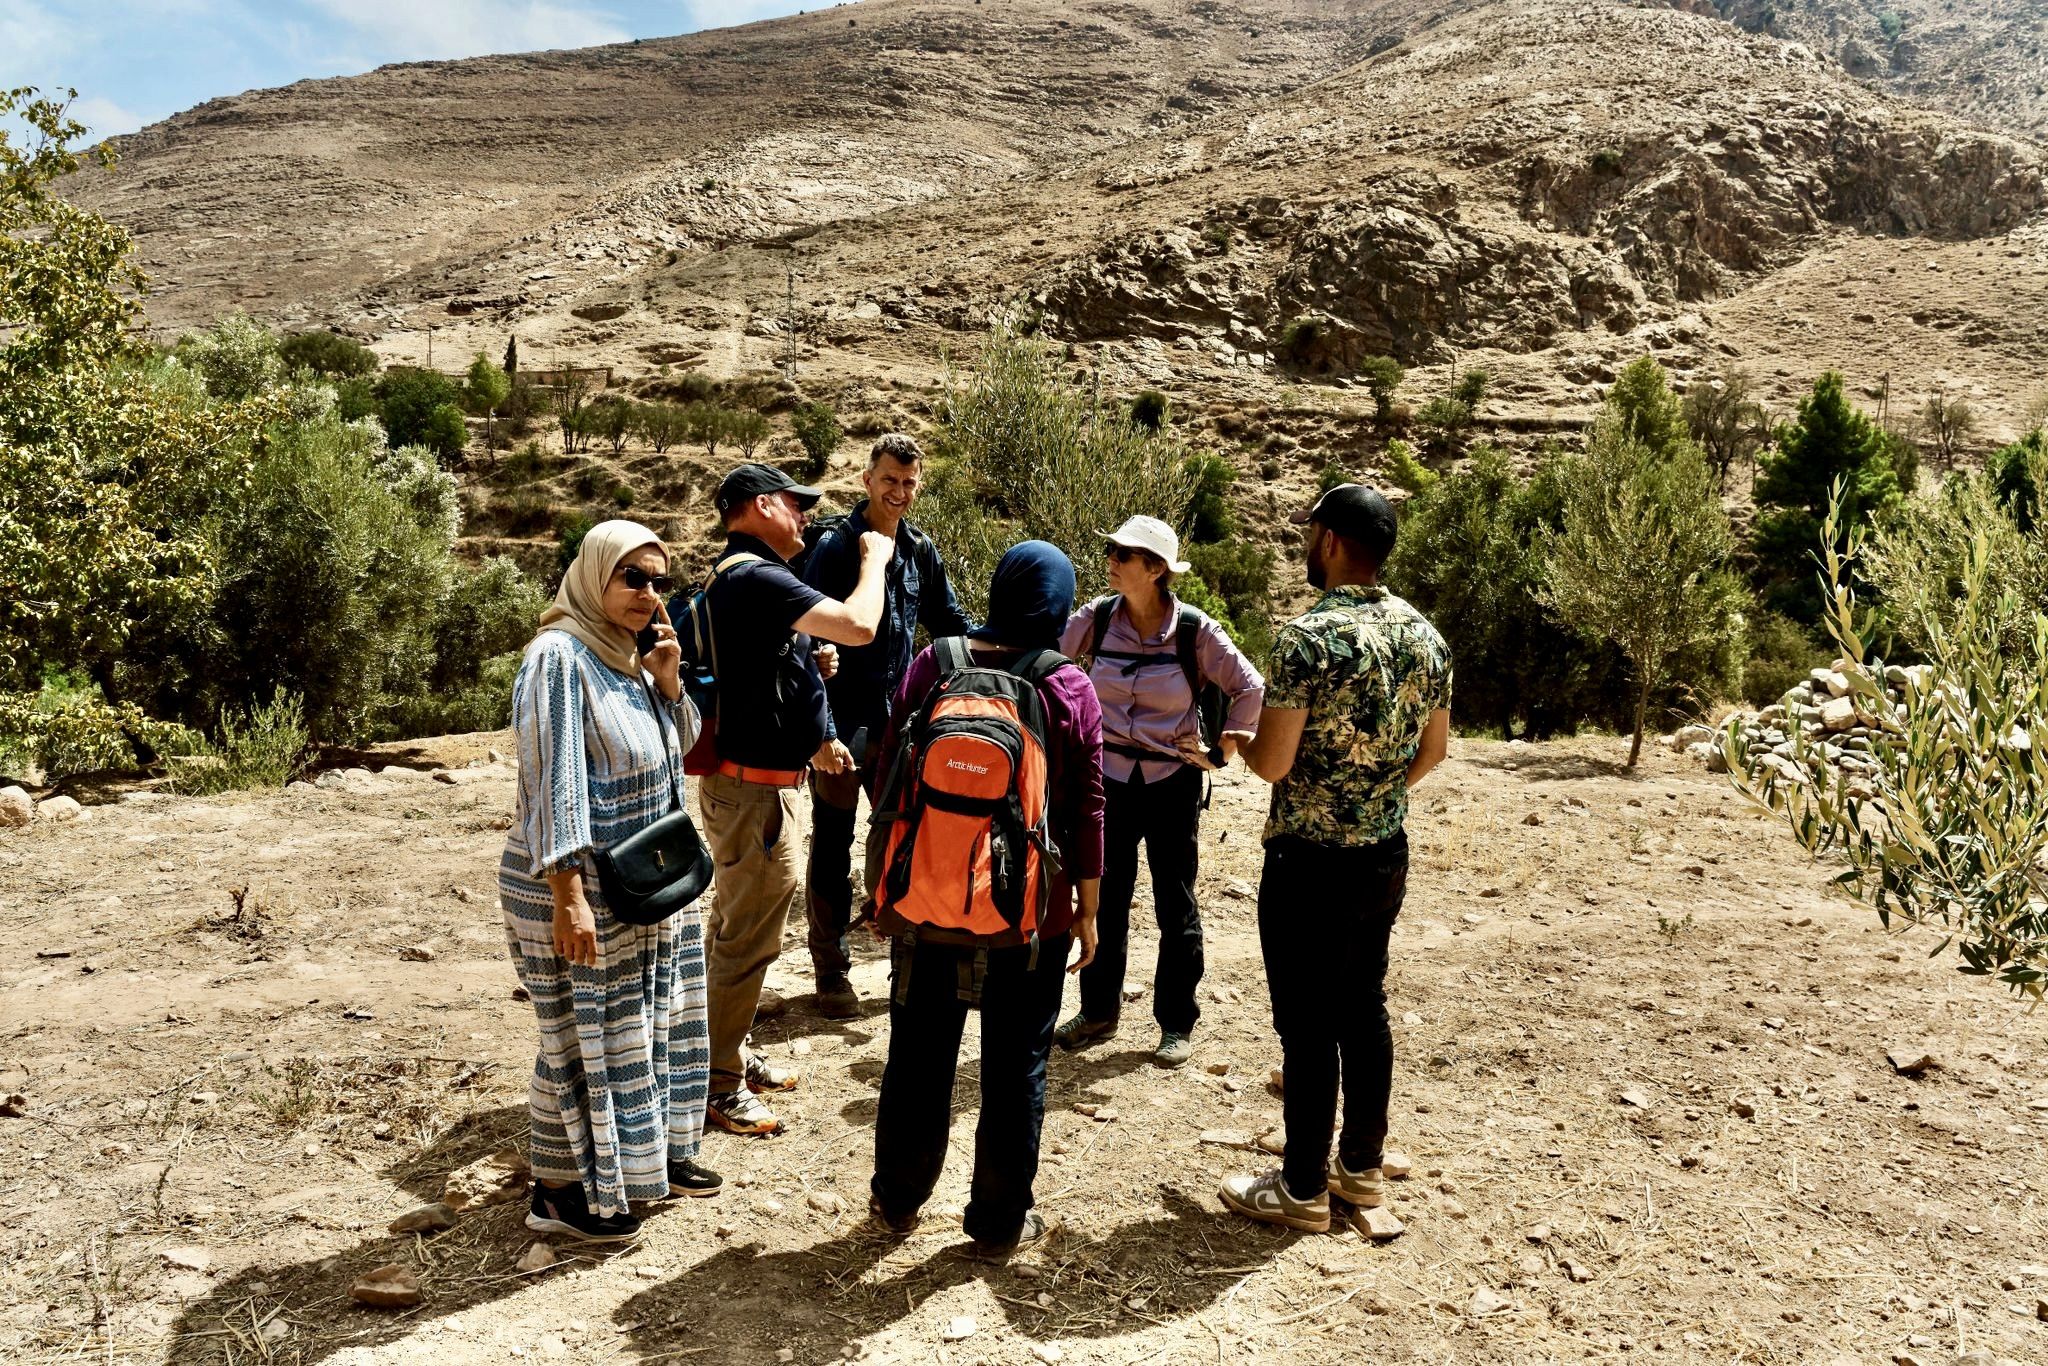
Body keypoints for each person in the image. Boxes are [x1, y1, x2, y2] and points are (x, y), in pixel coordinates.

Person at [1217, 485, 1451, 1234]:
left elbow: (1275, 763)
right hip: (1383, 854)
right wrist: (1374, 793)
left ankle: (1301, 1187)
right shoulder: (1427, 636)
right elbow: (1434, 750)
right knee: (1364, 1007)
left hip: (1308, 860)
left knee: (1308, 1026)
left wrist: (1236, 743)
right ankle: (1361, 1169)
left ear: (1327, 540)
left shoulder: (1305, 638)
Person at [867, 541, 1105, 1262]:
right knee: (1015, 1065)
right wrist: (1088, 910)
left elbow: (890, 772)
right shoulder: (1067, 685)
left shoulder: (934, 663)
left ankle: (897, 1200)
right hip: (1029, 914)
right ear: (1060, 605)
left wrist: (883, 880)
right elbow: (1087, 806)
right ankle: (998, 1223)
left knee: (917, 1054)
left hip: (929, 895)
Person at [500, 520, 720, 1245]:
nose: (647, 593)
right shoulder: (559, 657)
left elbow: (678, 745)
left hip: (646, 875)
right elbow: (552, 781)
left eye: (658, 581)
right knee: (579, 1036)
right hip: (581, 882)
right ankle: (558, 1192)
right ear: (593, 576)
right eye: (632, 577)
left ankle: (650, 1159)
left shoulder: (627, 657)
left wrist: (668, 681)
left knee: (651, 1020)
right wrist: (569, 896)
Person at [687, 462, 893, 1137]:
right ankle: (716, 1086)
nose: (805, 516)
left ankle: (728, 1053)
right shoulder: (754, 573)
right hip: (752, 796)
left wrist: (809, 659)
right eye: (794, 504)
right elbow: (860, 627)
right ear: (757, 505)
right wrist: (876, 560)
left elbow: (773, 665)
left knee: (741, 932)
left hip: (752, 789)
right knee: (744, 942)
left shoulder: (739, 579)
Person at [1054, 515, 1263, 1069]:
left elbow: (1249, 687)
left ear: (1156, 570)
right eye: (1113, 548)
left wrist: (1224, 751)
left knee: (1176, 902)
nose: (1112, 558)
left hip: (1173, 784)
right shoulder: (1095, 620)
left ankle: (1176, 1023)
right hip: (1108, 784)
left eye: (1126, 553)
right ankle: (1098, 1012)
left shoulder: (1196, 631)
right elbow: (1048, 665)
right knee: (1106, 897)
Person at [800, 434, 973, 1019]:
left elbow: (949, 620)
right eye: (889, 481)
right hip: (841, 721)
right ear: (868, 481)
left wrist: (1008, 642)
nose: (899, 492)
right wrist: (819, 728)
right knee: (832, 838)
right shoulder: (836, 546)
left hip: (900, 723)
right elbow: (808, 633)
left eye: (909, 482)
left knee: (906, 833)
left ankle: (906, 953)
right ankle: (830, 970)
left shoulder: (921, 549)